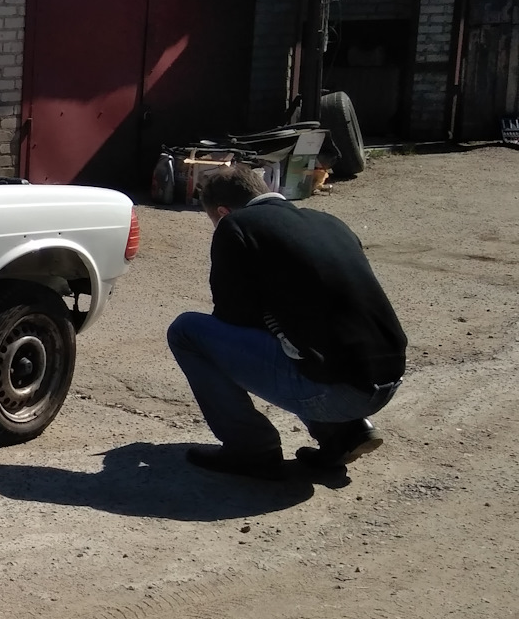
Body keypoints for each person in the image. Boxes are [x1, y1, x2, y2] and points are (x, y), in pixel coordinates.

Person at [167, 164, 406, 480]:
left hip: (336, 393)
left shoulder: (236, 226)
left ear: (222, 212)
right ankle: (344, 434)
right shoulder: (328, 222)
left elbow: (232, 318)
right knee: (302, 333)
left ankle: (251, 447)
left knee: (187, 332)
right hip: (385, 379)